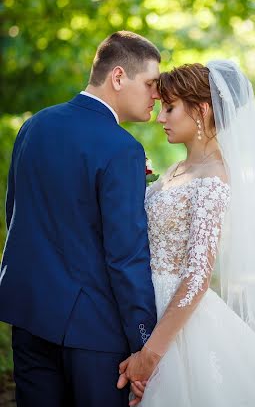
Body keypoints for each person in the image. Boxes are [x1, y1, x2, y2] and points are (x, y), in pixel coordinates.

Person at [118, 61, 255, 407]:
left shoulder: (213, 178)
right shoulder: (176, 169)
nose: (160, 117)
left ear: (201, 110)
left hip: (177, 318)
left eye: (170, 107)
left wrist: (151, 355)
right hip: (142, 302)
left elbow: (198, 276)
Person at [0, 31, 161, 407]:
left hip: (27, 315)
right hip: (95, 332)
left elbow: (15, 214)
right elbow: (126, 256)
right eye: (151, 84)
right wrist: (143, 342)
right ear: (118, 77)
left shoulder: (35, 125)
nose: (157, 95)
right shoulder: (122, 148)